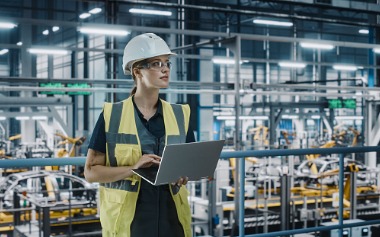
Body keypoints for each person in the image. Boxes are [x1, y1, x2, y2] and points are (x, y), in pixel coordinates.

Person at [84, 33, 195, 237]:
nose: (165, 68)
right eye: (156, 63)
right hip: (131, 223)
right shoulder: (112, 115)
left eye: (167, 63)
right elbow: (91, 172)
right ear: (137, 71)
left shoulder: (181, 114)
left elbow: (187, 166)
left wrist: (187, 174)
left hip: (173, 220)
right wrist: (133, 169)